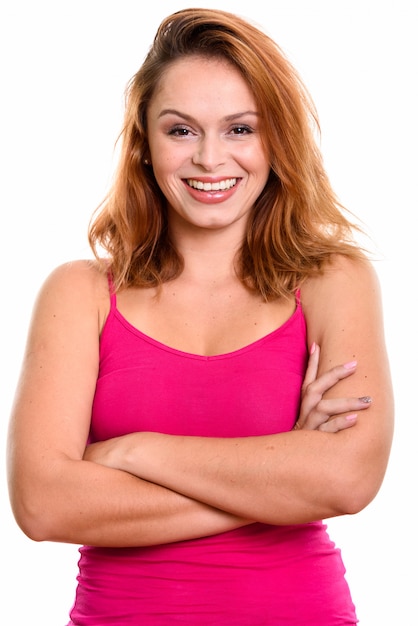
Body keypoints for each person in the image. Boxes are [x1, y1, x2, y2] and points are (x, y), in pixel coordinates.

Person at [7, 7, 393, 625]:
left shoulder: (332, 281)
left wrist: (134, 452)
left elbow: (347, 481)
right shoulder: (79, 293)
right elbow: (42, 505)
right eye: (181, 131)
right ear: (144, 144)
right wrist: (284, 474)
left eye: (240, 129)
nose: (211, 159)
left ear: (277, 140)